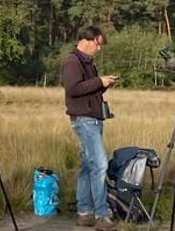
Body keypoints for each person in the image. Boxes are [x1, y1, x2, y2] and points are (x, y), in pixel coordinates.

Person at [60, 25, 117, 231]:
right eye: (98, 44)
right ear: (88, 39)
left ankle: (84, 213)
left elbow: (88, 89)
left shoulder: (87, 62)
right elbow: (73, 89)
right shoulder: (72, 61)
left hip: (92, 118)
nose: (99, 49)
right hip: (84, 120)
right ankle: (101, 215)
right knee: (100, 165)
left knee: (86, 167)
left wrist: (103, 84)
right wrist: (99, 81)